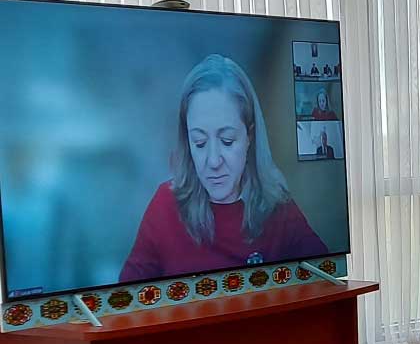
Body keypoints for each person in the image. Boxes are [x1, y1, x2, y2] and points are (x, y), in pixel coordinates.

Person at [120, 54, 327, 282]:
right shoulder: (166, 204)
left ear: (249, 136)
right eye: (199, 143)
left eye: (227, 141)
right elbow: (125, 295)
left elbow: (326, 277)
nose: (213, 161)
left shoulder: (277, 206)